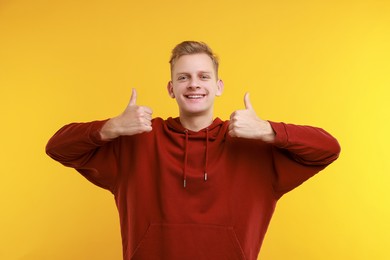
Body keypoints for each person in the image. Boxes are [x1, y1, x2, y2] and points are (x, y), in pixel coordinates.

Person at [46, 41, 341, 260]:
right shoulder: (137, 139)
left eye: (203, 76)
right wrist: (110, 127)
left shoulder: (254, 145)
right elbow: (58, 147)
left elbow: (328, 148)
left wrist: (268, 130)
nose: (193, 85)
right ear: (171, 88)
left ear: (218, 86)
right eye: (183, 77)